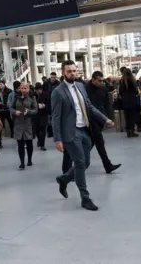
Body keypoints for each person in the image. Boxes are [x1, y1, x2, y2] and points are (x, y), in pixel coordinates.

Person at [51, 60, 114, 211]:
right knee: (80, 163)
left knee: (85, 163)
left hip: (84, 130)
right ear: (63, 73)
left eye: (74, 71)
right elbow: (55, 117)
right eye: (69, 71)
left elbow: (89, 107)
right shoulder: (58, 92)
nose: (72, 73)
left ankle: (64, 179)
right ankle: (85, 198)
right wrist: (58, 139)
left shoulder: (80, 86)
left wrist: (105, 119)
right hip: (70, 133)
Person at [10, 82, 38, 170]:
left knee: (29, 143)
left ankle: (29, 159)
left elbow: (35, 110)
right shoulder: (16, 97)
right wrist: (15, 112)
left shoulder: (32, 97)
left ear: (28, 89)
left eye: (25, 88)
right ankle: (22, 162)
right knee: (20, 144)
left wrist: (28, 112)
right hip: (18, 123)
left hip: (28, 123)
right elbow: (11, 107)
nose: (23, 90)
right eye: (22, 88)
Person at [119, 68, 140, 138]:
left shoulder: (121, 81)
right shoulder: (133, 80)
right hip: (132, 101)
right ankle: (132, 131)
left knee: (127, 117)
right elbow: (136, 91)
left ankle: (128, 132)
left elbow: (120, 92)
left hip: (125, 101)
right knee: (132, 117)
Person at [0, 81, 14, 148]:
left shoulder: (9, 91)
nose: (0, 85)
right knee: (0, 124)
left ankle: (13, 133)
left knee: (10, 122)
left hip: (7, 109)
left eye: (1, 84)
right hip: (1, 110)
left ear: (4, 84)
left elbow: (11, 100)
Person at [34, 83, 49, 151]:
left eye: (39, 90)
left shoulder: (46, 95)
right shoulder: (33, 95)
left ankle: (42, 145)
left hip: (43, 115)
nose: (38, 91)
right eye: (37, 90)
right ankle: (39, 140)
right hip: (36, 115)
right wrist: (36, 105)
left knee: (43, 130)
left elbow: (49, 104)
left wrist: (44, 106)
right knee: (37, 130)